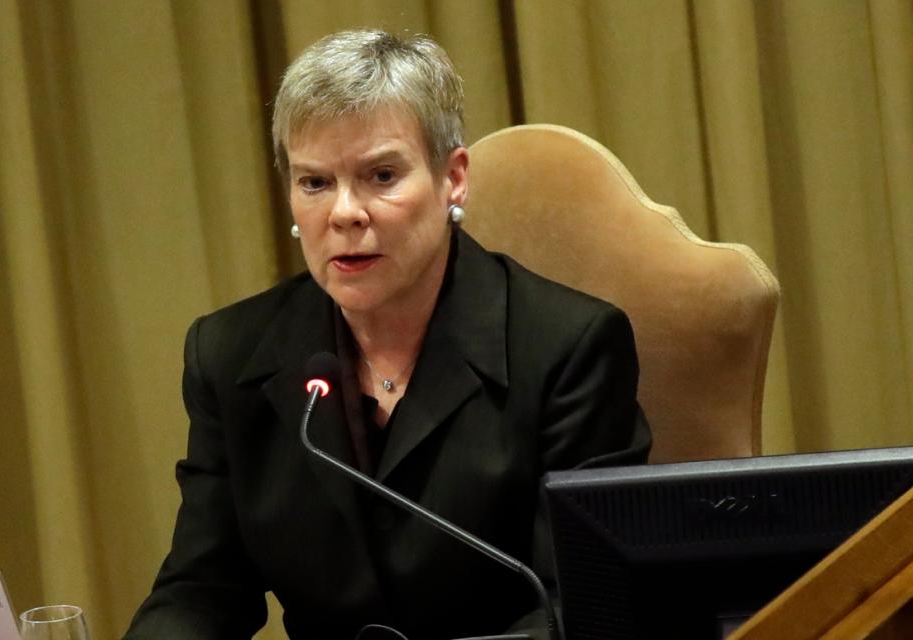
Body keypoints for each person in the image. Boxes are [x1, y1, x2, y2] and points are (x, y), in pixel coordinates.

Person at [124, 29, 650, 640]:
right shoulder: (230, 354)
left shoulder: (568, 348)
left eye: (380, 175)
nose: (344, 213)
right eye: (314, 182)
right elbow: (202, 588)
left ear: (453, 178)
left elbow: (583, 607)